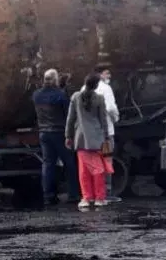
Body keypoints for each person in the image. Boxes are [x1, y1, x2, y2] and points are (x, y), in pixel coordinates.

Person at [65, 73, 114, 211]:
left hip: (81, 139)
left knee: (84, 170)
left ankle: (87, 198)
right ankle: (99, 198)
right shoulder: (99, 98)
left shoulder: (75, 97)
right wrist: (107, 137)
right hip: (97, 139)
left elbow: (70, 119)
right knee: (99, 169)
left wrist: (68, 136)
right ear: (96, 85)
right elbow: (103, 120)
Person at [32, 69, 76, 206]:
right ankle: (73, 194)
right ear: (55, 80)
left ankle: (48, 195)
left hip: (44, 133)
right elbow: (68, 113)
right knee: (69, 163)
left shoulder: (36, 95)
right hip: (59, 132)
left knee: (48, 164)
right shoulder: (60, 95)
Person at [85, 66, 121, 203]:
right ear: (99, 75)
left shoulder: (83, 89)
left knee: (92, 163)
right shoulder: (106, 89)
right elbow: (111, 108)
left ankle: (92, 193)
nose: (109, 76)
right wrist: (116, 118)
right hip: (106, 135)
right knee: (106, 161)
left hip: (89, 135)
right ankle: (107, 192)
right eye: (107, 73)